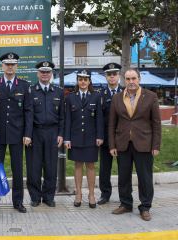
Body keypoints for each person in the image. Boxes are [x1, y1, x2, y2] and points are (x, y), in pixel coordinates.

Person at [109, 68, 161, 221]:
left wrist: (156, 145)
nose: (131, 82)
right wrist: (112, 145)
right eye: (128, 79)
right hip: (122, 143)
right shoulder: (117, 98)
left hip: (144, 143)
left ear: (139, 79)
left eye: (133, 78)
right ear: (124, 80)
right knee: (123, 177)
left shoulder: (151, 97)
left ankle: (145, 207)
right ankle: (125, 204)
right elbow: (112, 124)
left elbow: (156, 123)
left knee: (145, 177)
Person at [0, 52, 32, 213]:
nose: (10, 67)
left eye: (13, 64)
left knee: (17, 168)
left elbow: (28, 111)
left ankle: (18, 201)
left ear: (17, 66)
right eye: (7, 64)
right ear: (2, 66)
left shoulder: (24, 85)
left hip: (17, 134)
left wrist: (27, 134)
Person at [26, 61, 64, 207]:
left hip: (53, 133)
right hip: (35, 132)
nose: (45, 74)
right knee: (34, 167)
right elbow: (28, 115)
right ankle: (35, 197)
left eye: (47, 72)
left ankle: (49, 196)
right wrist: (27, 135)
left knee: (50, 166)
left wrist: (61, 133)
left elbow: (62, 116)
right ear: (38, 73)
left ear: (51, 74)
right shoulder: (31, 91)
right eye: (42, 72)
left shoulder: (58, 91)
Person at [64, 70, 104, 208]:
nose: (82, 82)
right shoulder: (70, 97)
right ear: (77, 81)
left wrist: (100, 136)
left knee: (91, 166)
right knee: (78, 165)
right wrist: (67, 139)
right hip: (75, 138)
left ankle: (91, 194)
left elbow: (99, 118)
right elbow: (67, 119)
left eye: (85, 79)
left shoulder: (96, 96)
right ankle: (78, 194)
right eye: (80, 79)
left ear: (89, 81)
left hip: (91, 138)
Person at [98, 62, 123, 205]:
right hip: (106, 138)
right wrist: (99, 136)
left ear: (119, 76)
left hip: (122, 138)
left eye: (114, 74)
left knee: (123, 168)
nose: (112, 77)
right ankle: (105, 194)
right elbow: (99, 119)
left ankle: (124, 194)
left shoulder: (125, 92)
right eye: (109, 75)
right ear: (106, 77)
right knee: (104, 169)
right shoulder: (100, 94)